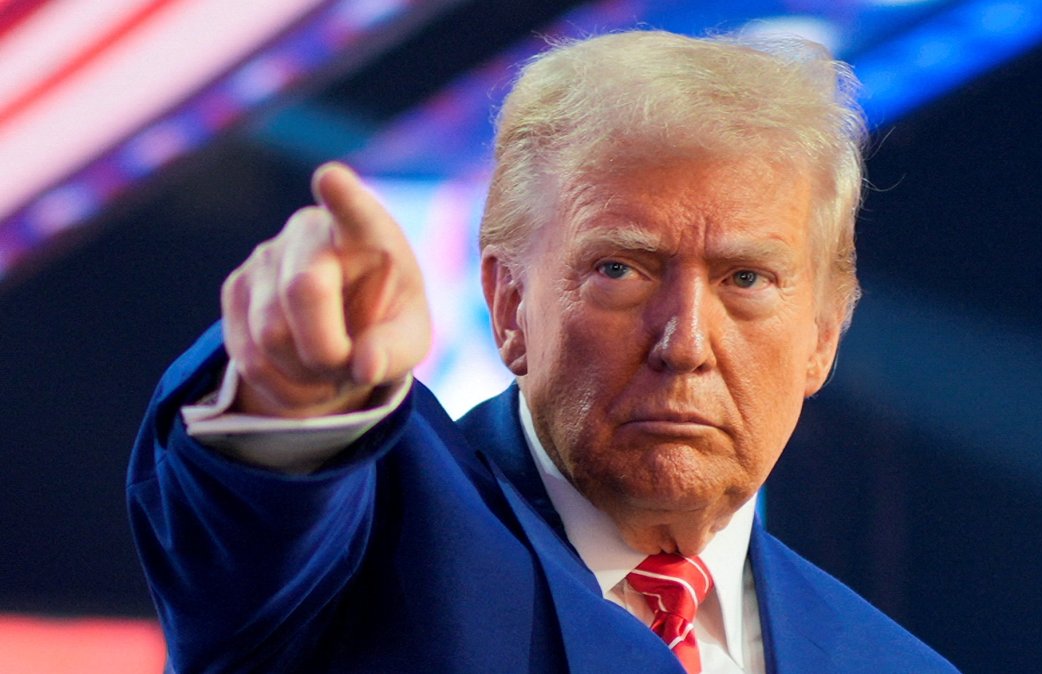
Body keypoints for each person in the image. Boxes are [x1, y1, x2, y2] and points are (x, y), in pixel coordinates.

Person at [128, 30, 957, 673]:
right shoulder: (377, 535)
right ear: (509, 304)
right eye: (621, 269)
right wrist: (294, 391)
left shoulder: (891, 663)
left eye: (747, 277)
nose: (686, 344)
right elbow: (253, 523)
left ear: (821, 339)